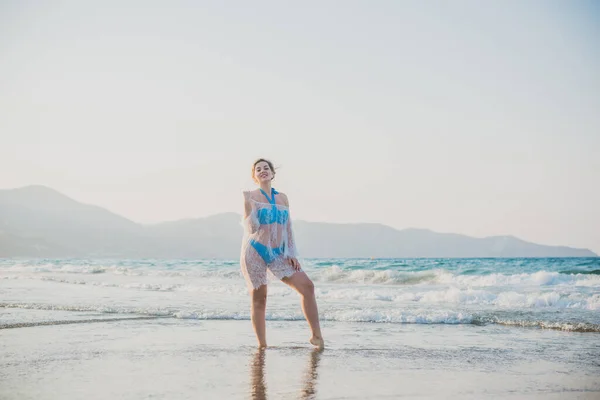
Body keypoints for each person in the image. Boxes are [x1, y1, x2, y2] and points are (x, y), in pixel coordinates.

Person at [240, 158, 324, 349]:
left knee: (307, 287)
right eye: (258, 169)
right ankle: (262, 346)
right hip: (255, 251)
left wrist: (291, 253)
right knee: (260, 298)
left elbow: (287, 227)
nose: (263, 171)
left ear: (272, 173)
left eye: (266, 168)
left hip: (279, 253)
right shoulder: (251, 196)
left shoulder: (283, 198)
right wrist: (247, 205)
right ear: (254, 176)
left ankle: (316, 337)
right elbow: (252, 228)